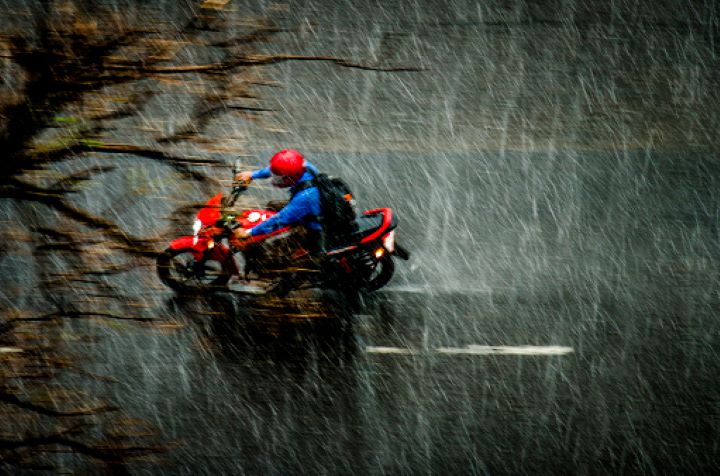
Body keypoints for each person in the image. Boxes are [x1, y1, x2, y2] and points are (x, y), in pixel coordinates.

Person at [233, 149, 324, 255]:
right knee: (272, 206)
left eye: (279, 178)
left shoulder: (306, 197)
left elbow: (280, 220)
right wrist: (252, 175)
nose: (275, 179)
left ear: (291, 177)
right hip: (313, 209)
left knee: (275, 250)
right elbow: (275, 171)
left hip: (315, 229)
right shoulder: (303, 167)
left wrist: (249, 232)